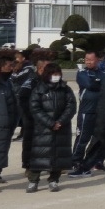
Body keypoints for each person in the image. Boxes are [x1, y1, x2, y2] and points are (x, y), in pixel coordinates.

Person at [27, 63, 76, 193]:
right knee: (39, 155)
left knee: (58, 155)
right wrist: (50, 123)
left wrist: (60, 121)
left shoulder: (65, 89)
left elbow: (71, 106)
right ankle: (33, 181)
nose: (56, 76)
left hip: (61, 128)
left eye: (58, 74)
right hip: (43, 129)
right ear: (47, 75)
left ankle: (54, 180)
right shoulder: (39, 89)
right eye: (54, 74)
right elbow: (35, 108)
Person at [71, 51, 105, 171]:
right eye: (86, 60)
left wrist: (98, 81)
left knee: (99, 139)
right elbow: (90, 85)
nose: (88, 62)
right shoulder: (82, 72)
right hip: (86, 111)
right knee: (82, 138)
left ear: (97, 60)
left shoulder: (103, 72)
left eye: (91, 59)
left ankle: (94, 161)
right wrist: (99, 82)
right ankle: (76, 161)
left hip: (100, 111)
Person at [0, 57, 19, 190]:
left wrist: (11, 124)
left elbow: (12, 108)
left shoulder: (4, 86)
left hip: (1, 127)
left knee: (0, 155)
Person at [10, 52, 37, 169]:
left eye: (18, 59)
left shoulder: (28, 69)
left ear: (23, 58)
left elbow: (16, 78)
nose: (16, 61)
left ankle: (22, 134)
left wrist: (13, 72)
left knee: (24, 119)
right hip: (15, 97)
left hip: (22, 98)